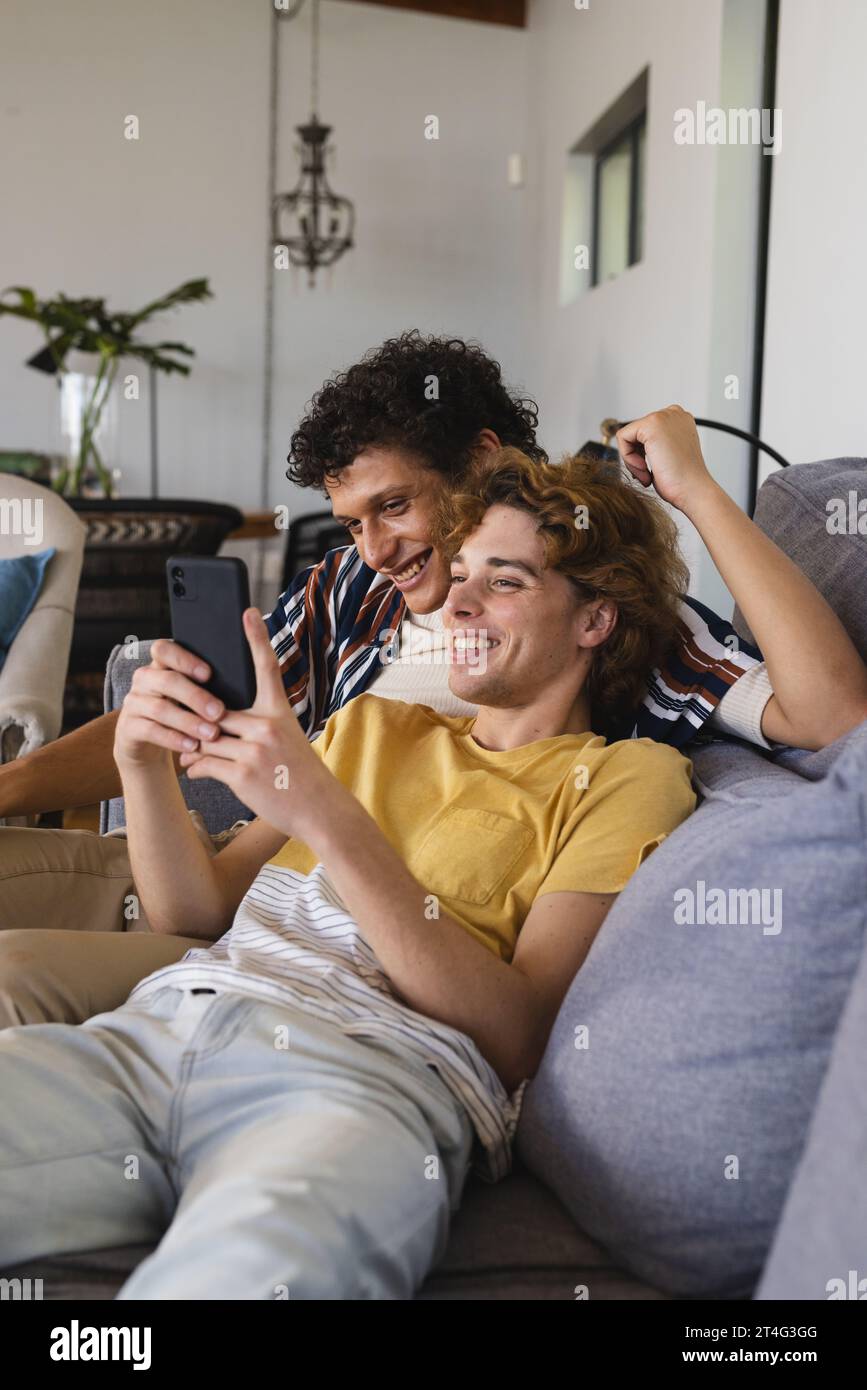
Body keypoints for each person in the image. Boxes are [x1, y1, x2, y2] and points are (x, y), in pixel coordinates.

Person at [1, 335, 866, 1027]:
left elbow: (833, 714)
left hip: (337, 946)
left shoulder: (598, 621)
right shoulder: (354, 589)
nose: (373, 550)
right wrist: (16, 785)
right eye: (350, 522)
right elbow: (198, 725)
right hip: (230, 883)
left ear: (481, 461)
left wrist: (698, 492)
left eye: (394, 506)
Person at [0, 446, 700, 1299]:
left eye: (505, 582)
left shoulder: (626, 777)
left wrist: (328, 817)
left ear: (596, 621)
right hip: (159, 1032)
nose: (458, 601)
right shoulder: (374, 725)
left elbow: (517, 1035)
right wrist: (143, 763)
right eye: (464, 572)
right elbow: (194, 914)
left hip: (358, 1081)